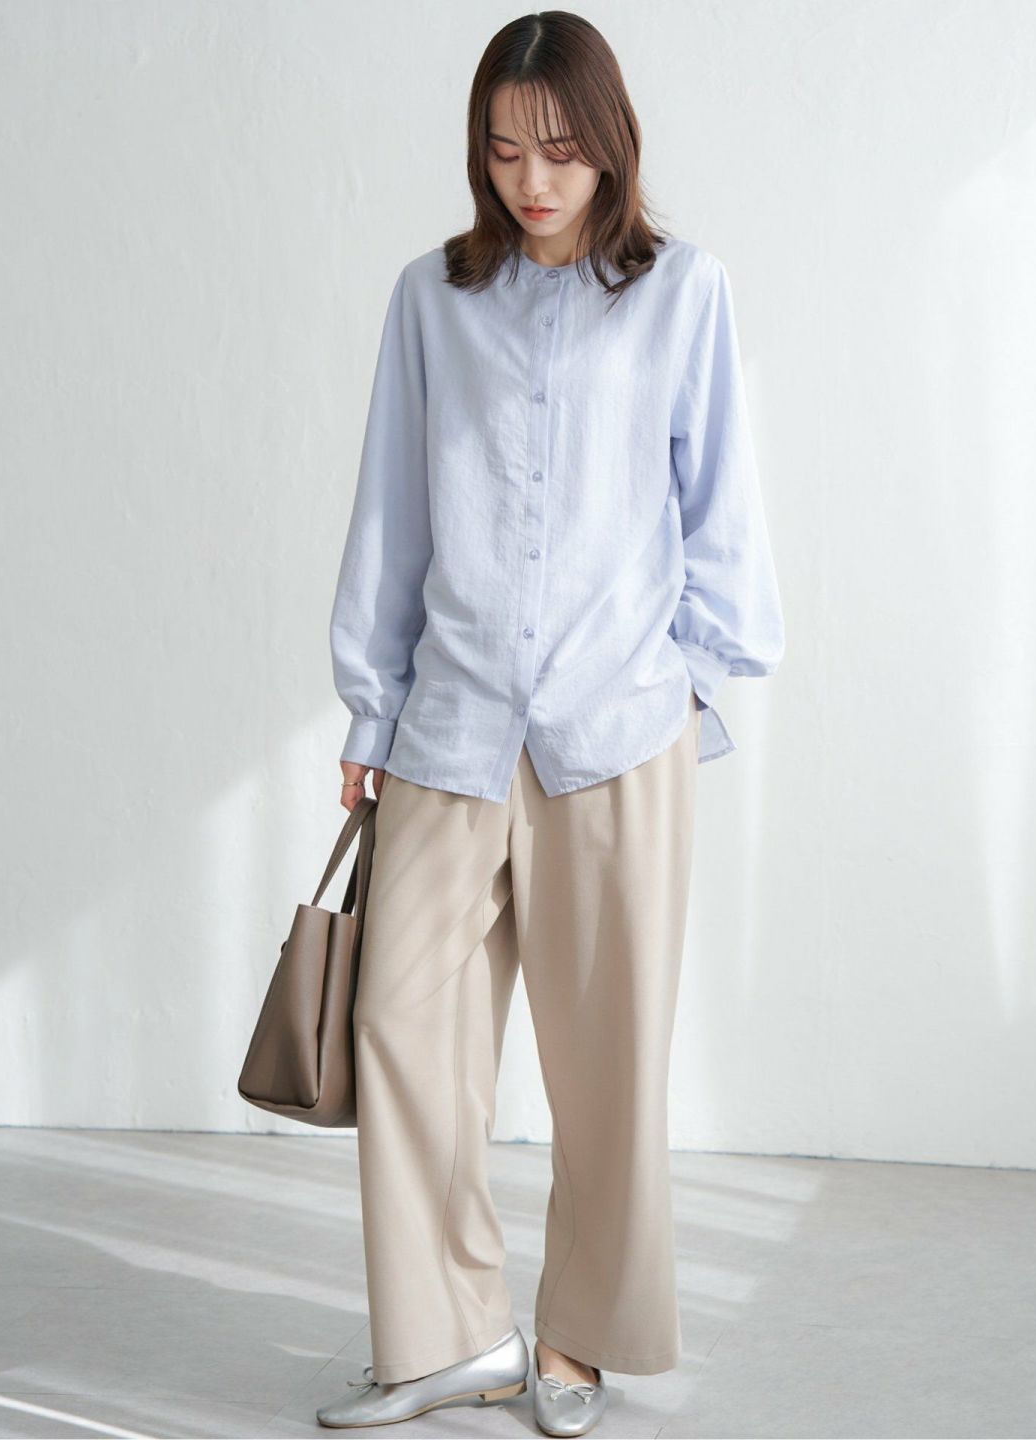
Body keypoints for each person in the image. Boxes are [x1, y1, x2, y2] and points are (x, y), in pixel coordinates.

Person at [317, 11, 784, 1435]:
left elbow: (723, 514)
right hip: (450, 725)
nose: (533, 180)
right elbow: (391, 510)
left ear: (610, 145)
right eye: (507, 150)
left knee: (607, 1062)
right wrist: (369, 709)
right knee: (399, 1025)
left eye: (562, 150)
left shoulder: (682, 293)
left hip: (615, 732)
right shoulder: (432, 299)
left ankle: (576, 1340)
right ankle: (452, 1333)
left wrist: (684, 686)